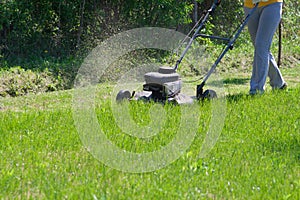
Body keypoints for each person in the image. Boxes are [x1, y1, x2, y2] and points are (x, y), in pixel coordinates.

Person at [244, 0, 287, 95]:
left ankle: (256, 89)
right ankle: (279, 83)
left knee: (261, 45)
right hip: (250, 5)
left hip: (271, 4)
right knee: (260, 48)